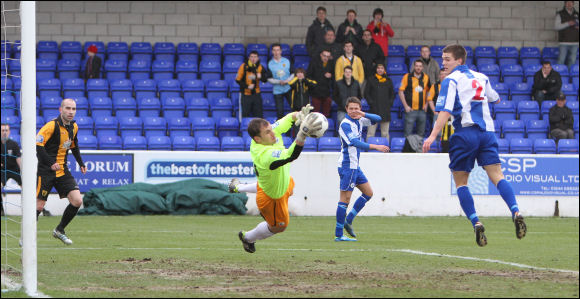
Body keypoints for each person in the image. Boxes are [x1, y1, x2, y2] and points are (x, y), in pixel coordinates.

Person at [423, 44, 527, 247]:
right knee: (498, 176)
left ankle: (476, 222)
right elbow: (495, 98)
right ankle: (516, 211)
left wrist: (432, 135)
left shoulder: (451, 80)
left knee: (461, 182)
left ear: (459, 60)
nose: (443, 63)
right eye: (442, 59)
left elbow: (443, 111)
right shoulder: (481, 77)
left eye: (447, 59)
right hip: (487, 134)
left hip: (465, 133)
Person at [237, 105, 323, 253]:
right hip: (272, 199)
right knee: (279, 226)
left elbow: (288, 118)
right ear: (258, 139)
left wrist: (300, 115)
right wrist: (302, 134)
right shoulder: (264, 155)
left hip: (281, 183)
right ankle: (248, 237)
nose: (273, 133)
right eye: (268, 132)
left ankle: (240, 187)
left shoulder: (269, 133)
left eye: (271, 129)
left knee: (285, 183)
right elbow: (291, 155)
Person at [335, 97, 389, 241]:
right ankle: (339, 234)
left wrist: (363, 114)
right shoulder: (345, 124)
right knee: (344, 199)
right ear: (346, 109)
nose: (354, 111)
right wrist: (376, 146)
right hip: (347, 166)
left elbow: (378, 118)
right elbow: (355, 142)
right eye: (351, 108)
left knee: (368, 193)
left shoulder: (359, 119)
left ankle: (349, 219)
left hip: (355, 166)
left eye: (356, 108)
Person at [36, 98, 87, 245]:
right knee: (39, 206)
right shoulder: (51, 126)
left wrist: (81, 163)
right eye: (68, 108)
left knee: (77, 201)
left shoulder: (74, 127)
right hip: (46, 170)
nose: (71, 112)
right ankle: (26, 235)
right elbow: (38, 146)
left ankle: (59, 230)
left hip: (62, 170)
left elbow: (74, 146)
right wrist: (51, 163)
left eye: (73, 109)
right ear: (60, 109)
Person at [1, 124, 51, 217]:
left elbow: (18, 159)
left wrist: (23, 172)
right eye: (2, 130)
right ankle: (1, 211)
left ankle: (41, 209)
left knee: (29, 189)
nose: (4, 132)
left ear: (9, 132)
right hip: (3, 171)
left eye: (6, 130)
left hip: (15, 170)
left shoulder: (14, 144)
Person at [399, 59, 430, 137]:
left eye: (420, 66)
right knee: (407, 134)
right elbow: (400, 91)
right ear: (414, 66)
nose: (418, 68)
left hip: (422, 111)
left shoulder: (426, 77)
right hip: (410, 110)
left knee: (421, 134)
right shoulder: (407, 77)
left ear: (423, 67)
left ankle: (419, 149)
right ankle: (407, 149)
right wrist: (406, 106)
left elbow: (428, 91)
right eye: (417, 66)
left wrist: (426, 104)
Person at [364, 64, 395, 140]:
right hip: (373, 111)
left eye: (382, 68)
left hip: (385, 111)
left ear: (384, 70)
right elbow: (366, 93)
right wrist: (371, 103)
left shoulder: (388, 80)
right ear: (376, 69)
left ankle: (386, 150)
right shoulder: (371, 80)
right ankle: (369, 151)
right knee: (370, 133)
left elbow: (392, 94)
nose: (380, 70)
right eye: (378, 68)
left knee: (385, 133)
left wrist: (389, 104)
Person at [236, 51, 269, 118]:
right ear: (249, 58)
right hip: (245, 94)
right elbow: (238, 80)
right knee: (245, 115)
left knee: (259, 115)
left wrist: (261, 76)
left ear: (258, 58)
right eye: (251, 57)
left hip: (256, 94)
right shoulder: (243, 66)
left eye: (255, 57)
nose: (253, 59)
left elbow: (265, 79)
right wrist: (247, 86)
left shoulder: (260, 67)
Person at [268, 43, 294, 120]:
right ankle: (281, 130)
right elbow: (269, 78)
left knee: (294, 108)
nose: (276, 52)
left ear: (281, 51)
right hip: (277, 91)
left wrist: (287, 81)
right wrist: (279, 82)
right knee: (280, 111)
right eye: (274, 50)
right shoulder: (270, 63)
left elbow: (293, 73)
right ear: (272, 51)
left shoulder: (287, 61)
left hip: (288, 88)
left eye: (278, 50)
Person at [307, 49, 334, 118]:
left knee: (326, 115)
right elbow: (308, 76)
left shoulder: (331, 64)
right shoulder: (314, 63)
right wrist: (314, 85)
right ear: (321, 55)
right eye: (324, 56)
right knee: (315, 115)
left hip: (326, 92)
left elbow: (335, 77)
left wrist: (331, 76)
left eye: (328, 56)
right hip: (315, 92)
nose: (326, 58)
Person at [555, 1, 579, 68]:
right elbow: (556, 27)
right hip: (563, 42)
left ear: (573, 4)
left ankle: (569, 77)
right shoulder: (560, 14)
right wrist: (568, 23)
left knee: (572, 61)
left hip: (575, 42)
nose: (569, 4)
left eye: (571, 3)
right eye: (567, 3)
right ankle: (559, 76)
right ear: (565, 4)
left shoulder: (577, 14)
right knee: (561, 61)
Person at [426, 69, 447, 139]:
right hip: (438, 113)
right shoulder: (434, 86)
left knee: (449, 132)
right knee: (437, 133)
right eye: (441, 74)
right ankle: (438, 149)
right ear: (439, 76)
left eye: (445, 74)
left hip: (448, 113)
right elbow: (429, 99)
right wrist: (434, 111)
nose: (443, 76)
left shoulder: (451, 85)